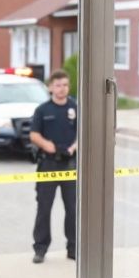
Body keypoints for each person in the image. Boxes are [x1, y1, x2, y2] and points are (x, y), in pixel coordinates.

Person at [29, 71, 78, 263]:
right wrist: (47, 145)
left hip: (69, 165)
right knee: (44, 208)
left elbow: (82, 132)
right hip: (48, 164)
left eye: (65, 85)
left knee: (73, 208)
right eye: (58, 85)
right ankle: (40, 248)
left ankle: (73, 248)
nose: (62, 88)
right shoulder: (42, 110)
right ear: (50, 87)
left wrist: (74, 147)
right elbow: (34, 134)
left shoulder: (75, 107)